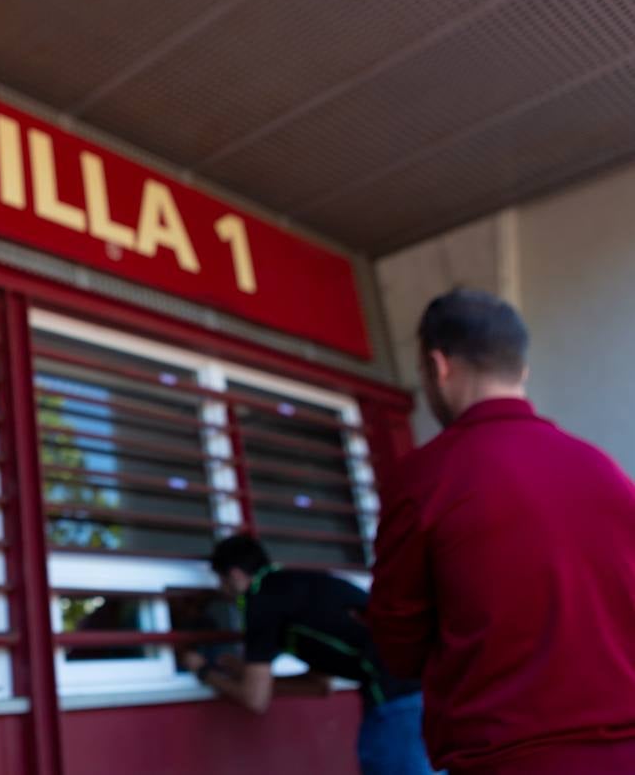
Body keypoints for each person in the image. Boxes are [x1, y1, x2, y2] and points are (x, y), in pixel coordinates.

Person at [369, 288, 635, 774]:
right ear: (521, 369)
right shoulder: (606, 471)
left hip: (508, 757)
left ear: (438, 366)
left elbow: (398, 644)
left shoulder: (426, 478)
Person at [186, 535, 436, 775]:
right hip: (425, 686)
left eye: (220, 581)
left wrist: (203, 672)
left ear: (235, 575)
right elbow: (319, 685)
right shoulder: (299, 587)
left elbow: (255, 699)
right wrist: (247, 675)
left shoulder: (261, 601)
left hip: (395, 698)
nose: (223, 591)